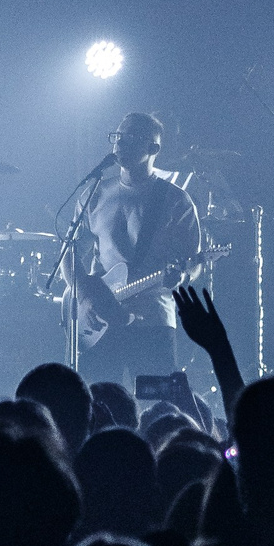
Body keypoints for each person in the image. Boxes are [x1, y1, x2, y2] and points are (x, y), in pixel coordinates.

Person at [63, 112, 209, 389]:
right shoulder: (93, 194)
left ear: (154, 149)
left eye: (131, 138)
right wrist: (84, 297)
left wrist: (183, 277)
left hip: (152, 317)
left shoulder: (176, 200)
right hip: (100, 318)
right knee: (103, 406)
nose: (120, 144)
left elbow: (195, 261)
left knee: (159, 407)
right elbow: (68, 253)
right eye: (117, 136)